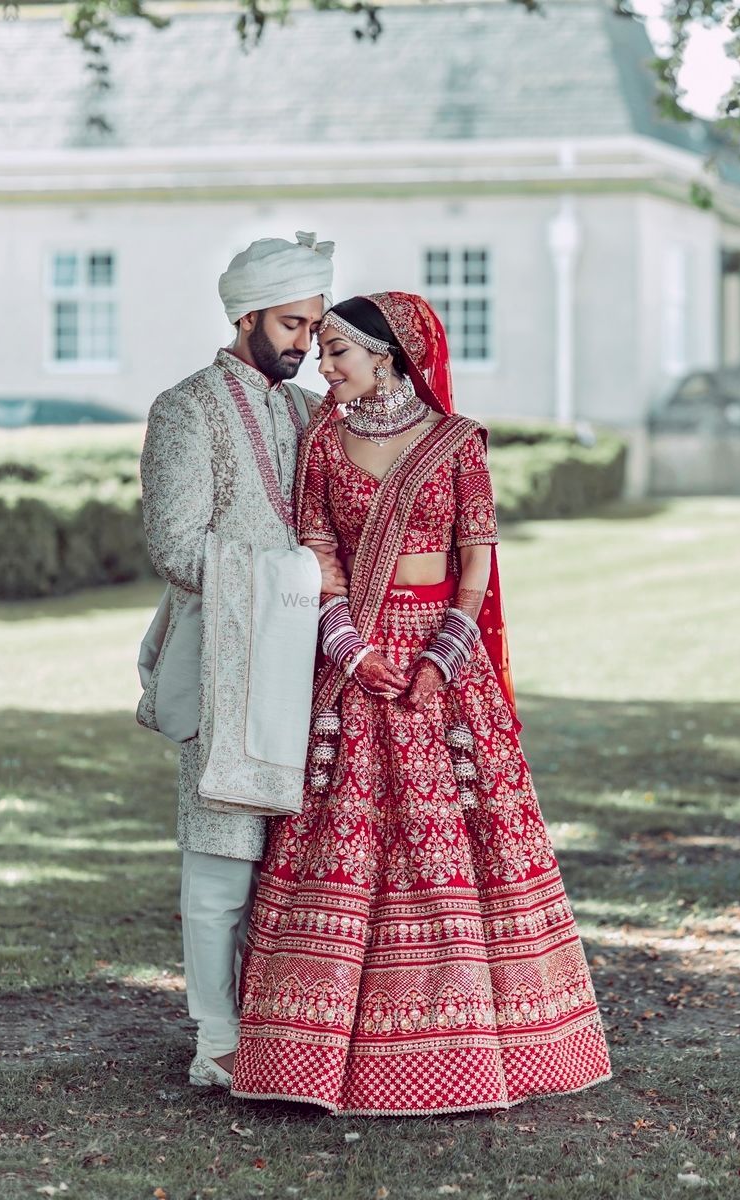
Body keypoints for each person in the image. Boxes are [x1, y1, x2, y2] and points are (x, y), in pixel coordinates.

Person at [231, 292, 612, 1116]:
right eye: (322, 349)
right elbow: (318, 552)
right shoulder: (325, 442)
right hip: (356, 656)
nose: (324, 366)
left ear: (388, 357)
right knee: (346, 835)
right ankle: (310, 1053)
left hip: (443, 658)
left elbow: (476, 564)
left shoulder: (456, 444)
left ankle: (483, 1042)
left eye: (338, 351)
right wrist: (349, 648)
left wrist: (442, 656)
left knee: (459, 838)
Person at [138, 232, 347, 1091]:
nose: (305, 344)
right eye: (292, 325)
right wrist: (296, 575)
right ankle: (215, 1039)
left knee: (298, 852)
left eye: (314, 326)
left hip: (310, 661)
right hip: (225, 660)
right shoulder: (185, 408)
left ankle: (286, 1021)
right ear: (246, 315)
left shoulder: (306, 413)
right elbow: (176, 547)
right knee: (222, 851)